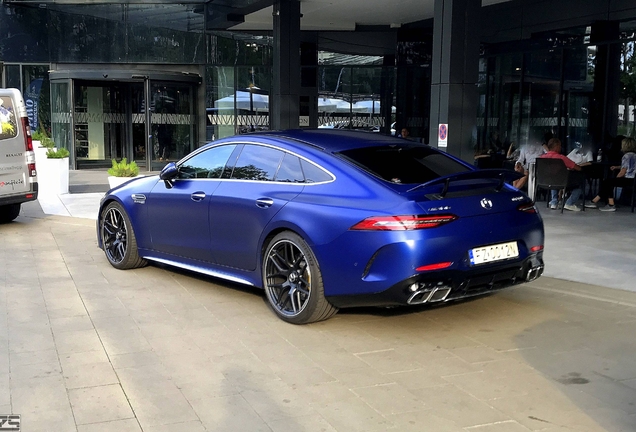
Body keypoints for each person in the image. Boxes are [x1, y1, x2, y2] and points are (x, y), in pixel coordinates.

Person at [585, 137, 636, 212]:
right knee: (608, 182)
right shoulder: (634, 155)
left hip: (627, 179)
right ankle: (594, 201)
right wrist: (617, 167)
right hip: (633, 179)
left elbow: (623, 171)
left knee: (608, 182)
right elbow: (630, 166)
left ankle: (610, 204)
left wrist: (617, 178)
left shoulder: (626, 156)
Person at [540, 137, 585, 211]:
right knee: (579, 185)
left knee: (553, 179)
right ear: (556, 146)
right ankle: (569, 203)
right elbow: (577, 168)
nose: (561, 147)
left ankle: (554, 202)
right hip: (562, 182)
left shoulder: (542, 158)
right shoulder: (561, 158)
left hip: (544, 182)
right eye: (560, 146)